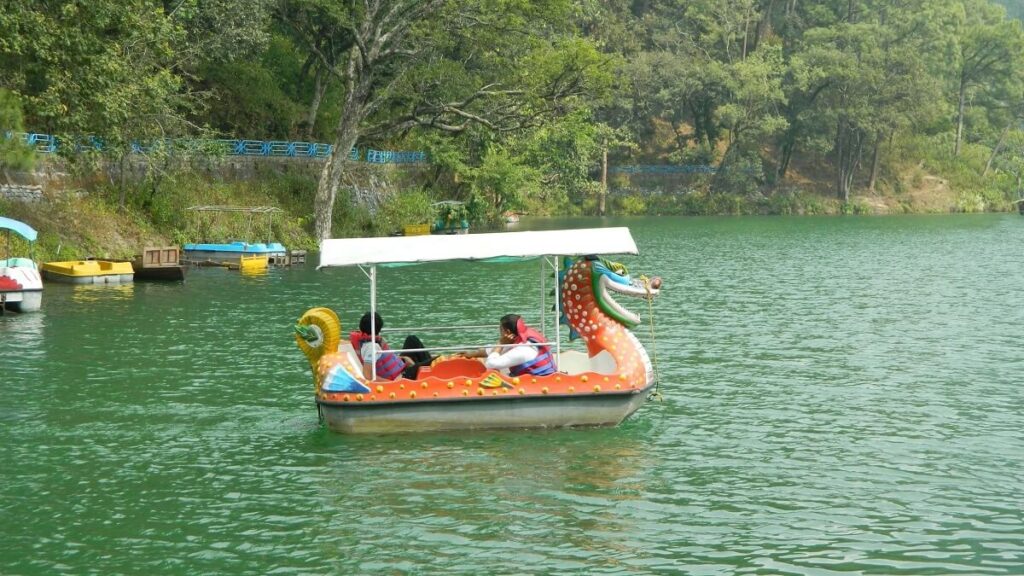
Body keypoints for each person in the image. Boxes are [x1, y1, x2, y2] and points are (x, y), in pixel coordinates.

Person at [464, 314, 557, 376]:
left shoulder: (523, 349)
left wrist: (500, 343)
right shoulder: (521, 339)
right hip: (535, 379)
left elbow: (490, 364)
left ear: (507, 332)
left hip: (537, 384)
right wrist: (472, 354)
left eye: (500, 329)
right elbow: (494, 350)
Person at [350, 312, 431, 380]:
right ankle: (431, 372)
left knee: (412, 340)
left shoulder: (368, 342)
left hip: (400, 368)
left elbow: (381, 360)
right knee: (436, 360)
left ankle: (423, 367)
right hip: (401, 376)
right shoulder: (372, 348)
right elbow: (368, 376)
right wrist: (393, 384)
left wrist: (403, 359)